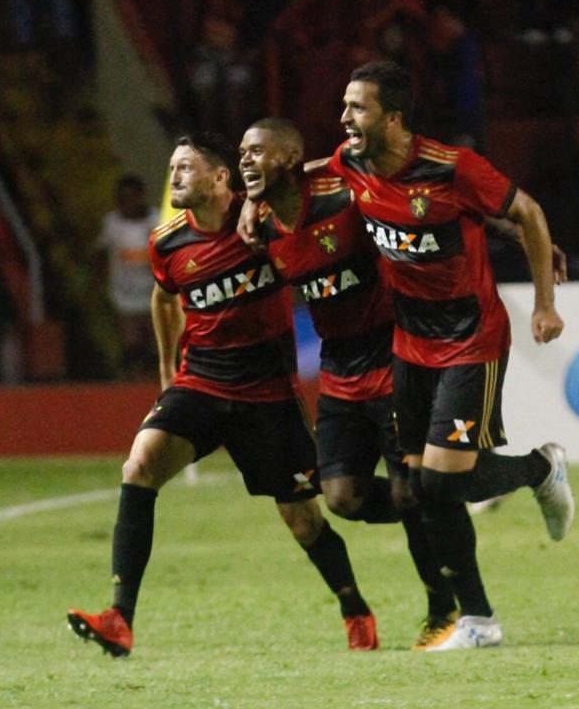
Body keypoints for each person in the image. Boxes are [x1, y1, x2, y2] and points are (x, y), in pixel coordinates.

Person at [68, 133, 378, 657]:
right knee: (139, 466)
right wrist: (169, 369)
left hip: (268, 393)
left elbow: (301, 181)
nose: (175, 176)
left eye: (186, 167)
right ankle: (119, 618)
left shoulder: (262, 221)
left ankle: (355, 610)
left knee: (303, 520)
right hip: (202, 383)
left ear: (220, 178)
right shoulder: (167, 243)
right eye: (171, 167)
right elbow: (165, 299)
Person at [326, 60, 573, 651]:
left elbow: (527, 212)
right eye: (344, 105)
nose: (345, 118)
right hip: (409, 342)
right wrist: (262, 198)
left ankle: (540, 470)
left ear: (394, 117)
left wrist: (544, 305)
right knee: (417, 485)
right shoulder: (349, 164)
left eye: (357, 107)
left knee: (436, 486)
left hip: (471, 338)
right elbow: (313, 175)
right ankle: (478, 621)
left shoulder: (451, 166)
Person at [237, 117, 459, 648]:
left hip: (392, 352)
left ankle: (441, 608)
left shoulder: (344, 199)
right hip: (338, 369)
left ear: (290, 160)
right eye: (241, 152)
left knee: (407, 495)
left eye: (257, 151)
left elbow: (372, 168)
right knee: (341, 497)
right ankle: (442, 503)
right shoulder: (262, 229)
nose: (244, 160)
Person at [95, 175, 159, 377]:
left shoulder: (155, 221)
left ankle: (153, 385)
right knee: (131, 344)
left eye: (132, 197)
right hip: (123, 294)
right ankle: (131, 381)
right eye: (123, 199)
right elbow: (102, 252)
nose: (128, 203)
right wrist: (100, 280)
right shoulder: (112, 223)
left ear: (141, 197)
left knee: (154, 344)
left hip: (152, 292)